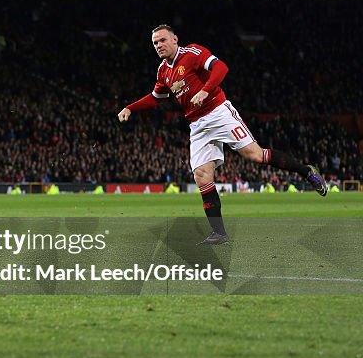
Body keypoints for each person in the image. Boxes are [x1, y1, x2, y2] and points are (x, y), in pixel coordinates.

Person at [117, 24, 326, 245]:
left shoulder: (192, 53)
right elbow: (156, 97)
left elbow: (221, 68)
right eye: (155, 43)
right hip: (197, 124)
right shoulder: (163, 71)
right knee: (201, 175)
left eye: (162, 40)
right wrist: (130, 107)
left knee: (254, 155)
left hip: (218, 112)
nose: (159, 45)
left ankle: (306, 171)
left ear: (175, 39)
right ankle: (219, 233)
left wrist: (205, 90)